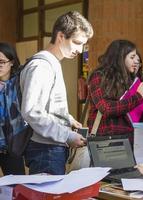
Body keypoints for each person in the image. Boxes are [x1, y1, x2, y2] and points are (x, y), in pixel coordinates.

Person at [20, 11, 93, 175]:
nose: (80, 50)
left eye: (83, 45)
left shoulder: (51, 63)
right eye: (76, 42)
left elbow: (47, 107)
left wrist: (68, 119)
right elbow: (31, 111)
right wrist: (67, 135)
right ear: (61, 36)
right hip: (45, 151)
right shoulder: (41, 66)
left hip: (49, 149)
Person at [87, 39, 143, 144]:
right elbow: (106, 108)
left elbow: (135, 113)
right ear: (120, 57)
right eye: (132, 57)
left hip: (127, 139)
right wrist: (137, 97)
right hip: (104, 139)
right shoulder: (99, 76)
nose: (136, 61)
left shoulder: (131, 80)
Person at [0, 42, 25, 175]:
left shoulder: (20, 83)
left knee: (17, 187)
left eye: (2, 61)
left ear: (12, 62)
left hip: (13, 145)